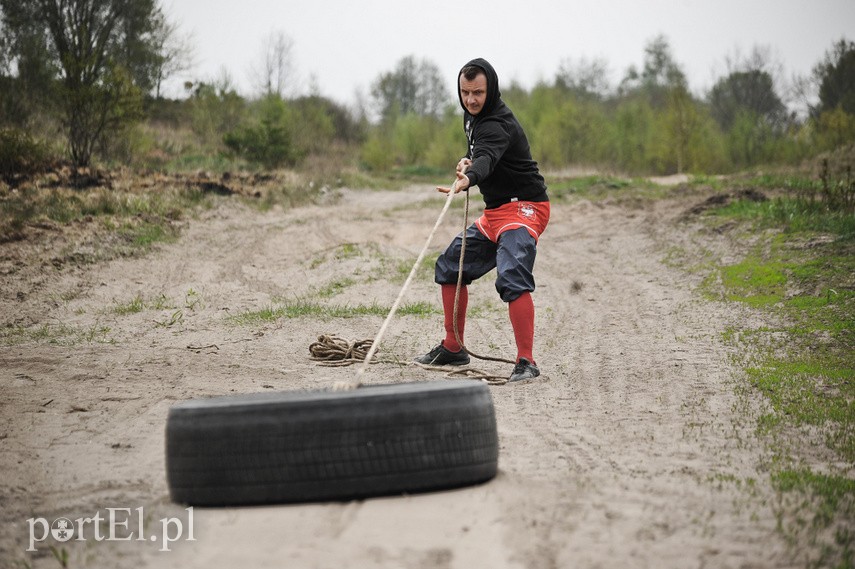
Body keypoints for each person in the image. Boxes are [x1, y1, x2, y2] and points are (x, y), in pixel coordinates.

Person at [415, 58, 550, 382]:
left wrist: (469, 177)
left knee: (511, 274)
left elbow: (488, 156)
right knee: (450, 266)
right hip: (495, 213)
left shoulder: (495, 122)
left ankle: (526, 362)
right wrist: (468, 161)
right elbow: (483, 153)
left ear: (490, 90)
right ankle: (453, 347)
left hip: (525, 207)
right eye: (465, 92)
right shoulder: (472, 117)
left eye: (478, 93)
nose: (471, 99)